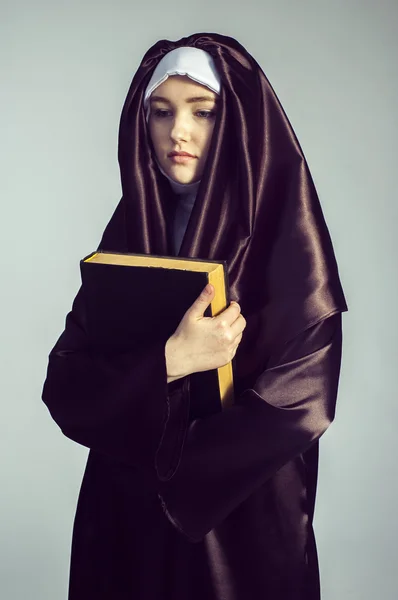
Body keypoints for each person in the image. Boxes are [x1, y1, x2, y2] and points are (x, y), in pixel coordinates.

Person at [42, 32, 348, 600]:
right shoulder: (130, 232)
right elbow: (65, 384)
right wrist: (169, 362)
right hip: (123, 525)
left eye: (202, 112)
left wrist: (168, 465)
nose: (177, 131)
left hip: (239, 528)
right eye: (160, 112)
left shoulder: (285, 234)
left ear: (237, 123)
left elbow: (302, 401)